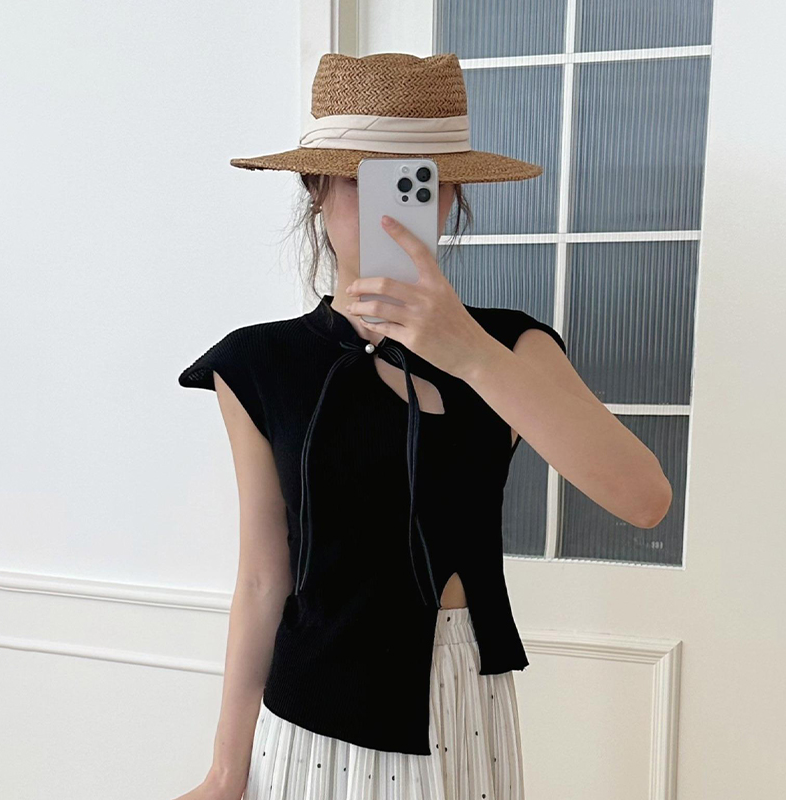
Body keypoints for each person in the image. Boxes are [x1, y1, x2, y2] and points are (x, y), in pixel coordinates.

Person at [175, 53, 671, 800]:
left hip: (459, 704)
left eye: (418, 183)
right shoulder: (258, 363)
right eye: (361, 180)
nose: (391, 209)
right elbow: (261, 577)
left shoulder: (511, 347)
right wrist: (225, 767)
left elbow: (645, 500)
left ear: (451, 196)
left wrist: (468, 352)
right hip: (307, 717)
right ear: (316, 189)